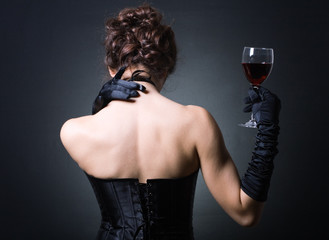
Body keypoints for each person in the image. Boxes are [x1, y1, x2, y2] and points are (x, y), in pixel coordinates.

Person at [60, 4, 281, 240]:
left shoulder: (73, 131)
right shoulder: (197, 122)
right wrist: (268, 132)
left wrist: (99, 110)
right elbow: (246, 215)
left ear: (111, 68)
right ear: (165, 69)